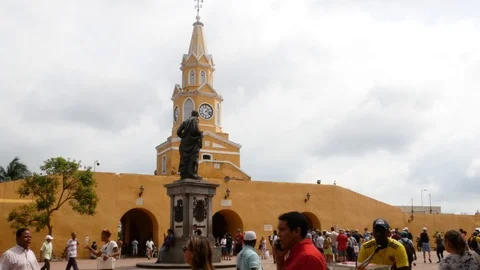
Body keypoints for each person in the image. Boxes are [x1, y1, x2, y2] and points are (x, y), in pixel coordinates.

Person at [177, 110, 203, 180]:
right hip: (193, 142)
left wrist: (184, 136)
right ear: (197, 115)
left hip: (184, 143)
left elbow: (178, 132)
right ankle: (193, 174)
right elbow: (196, 130)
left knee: (185, 158)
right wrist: (200, 133)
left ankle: (184, 174)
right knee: (193, 157)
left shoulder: (185, 122)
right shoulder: (195, 120)